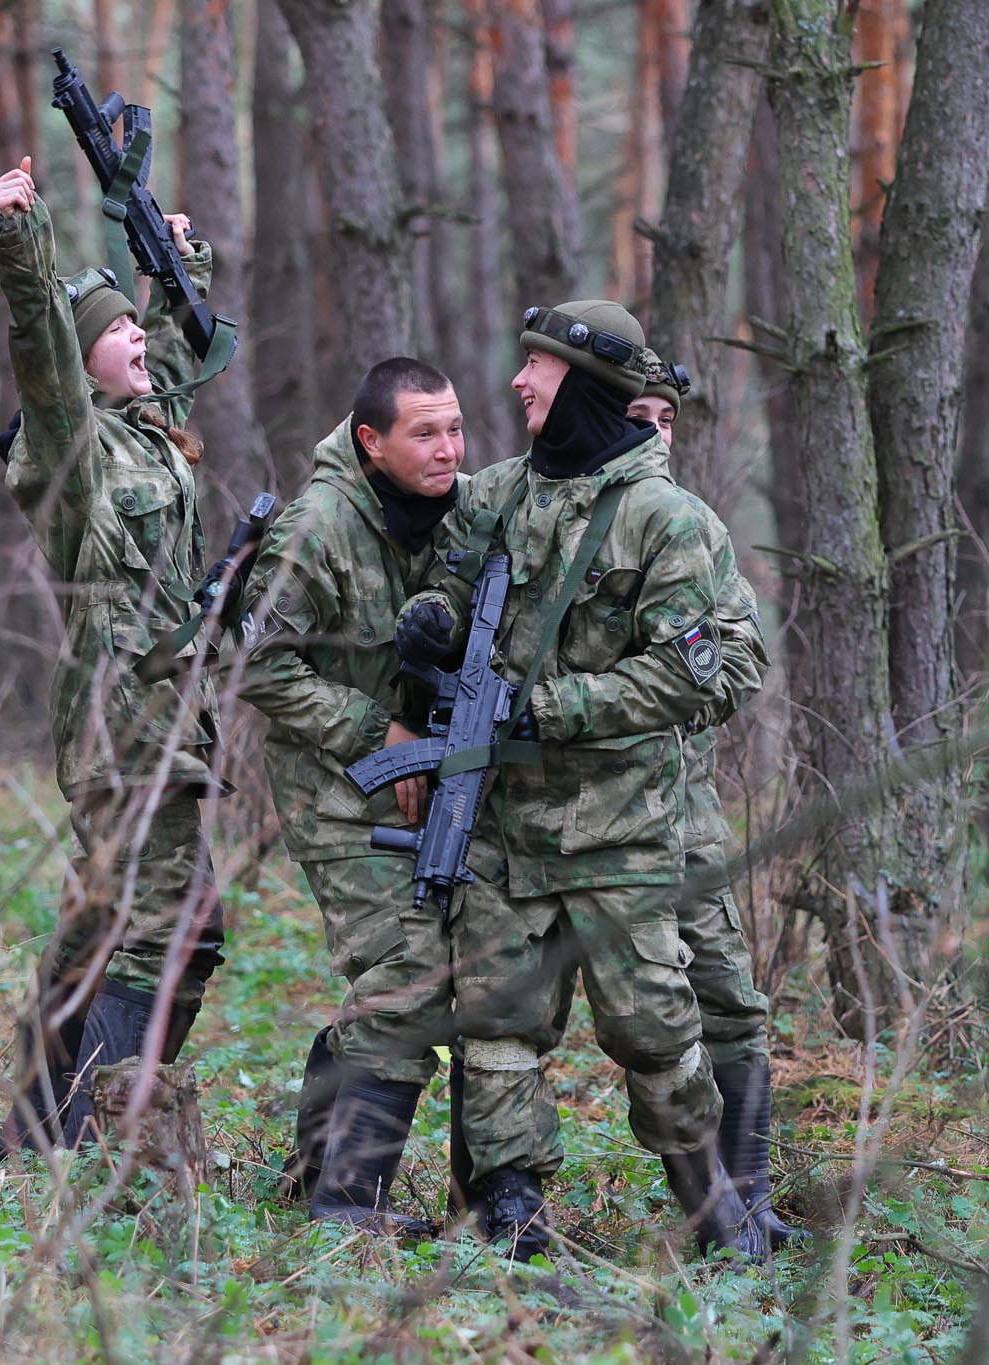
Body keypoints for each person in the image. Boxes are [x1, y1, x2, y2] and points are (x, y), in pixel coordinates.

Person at [397, 301, 765, 1261]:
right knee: (496, 1024)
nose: (519, 381)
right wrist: (432, 622)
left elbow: (693, 674)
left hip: (620, 828)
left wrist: (551, 707)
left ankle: (715, 1207)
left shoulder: (666, 521)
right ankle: (511, 1212)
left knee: (654, 1031)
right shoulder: (496, 495)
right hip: (499, 822)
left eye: (540, 367)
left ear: (588, 388)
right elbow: (451, 584)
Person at [0, 156, 226, 1152]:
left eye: (136, 325)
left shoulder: (145, 433)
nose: (137, 338)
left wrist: (177, 265)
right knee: (172, 923)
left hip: (163, 717)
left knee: (104, 919)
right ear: (82, 366)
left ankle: (34, 1131)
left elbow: (169, 347)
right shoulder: (74, 449)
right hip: (119, 723)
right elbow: (42, 346)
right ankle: (93, 1137)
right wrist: (23, 241)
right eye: (115, 331)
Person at [236, 359, 465, 1234]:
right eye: (424, 432)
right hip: (332, 782)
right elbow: (258, 666)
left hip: (426, 783)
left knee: (414, 970)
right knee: (405, 973)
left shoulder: (460, 509)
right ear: (372, 441)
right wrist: (380, 734)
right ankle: (348, 1203)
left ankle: (313, 1177)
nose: (447, 449)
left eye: (455, 428)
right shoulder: (317, 528)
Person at [625, 356, 802, 1248]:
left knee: (730, 996)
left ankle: (749, 1203)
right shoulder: (539, 511)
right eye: (639, 415)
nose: (657, 433)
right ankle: (508, 1216)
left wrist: (681, 694)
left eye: (667, 418)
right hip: (576, 819)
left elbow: (740, 653)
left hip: (685, 804)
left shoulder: (693, 528)